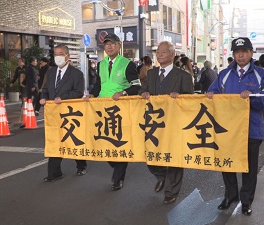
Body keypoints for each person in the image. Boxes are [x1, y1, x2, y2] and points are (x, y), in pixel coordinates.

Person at [206, 37, 264, 215]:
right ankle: (230, 195)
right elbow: (213, 91)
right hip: (227, 129)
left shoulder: (262, 75)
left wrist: (251, 96)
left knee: (249, 168)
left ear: (251, 53)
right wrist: (210, 95)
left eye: (244, 52)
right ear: (233, 55)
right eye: (237, 52)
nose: (240, 55)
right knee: (226, 163)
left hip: (252, 129)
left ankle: (246, 201)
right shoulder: (224, 74)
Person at [139, 41, 194, 205]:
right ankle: (161, 175)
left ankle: (171, 191)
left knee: (175, 158)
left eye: (164, 52)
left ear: (172, 55)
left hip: (175, 124)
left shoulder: (183, 76)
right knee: (150, 154)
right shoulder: (151, 74)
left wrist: (181, 97)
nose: (160, 54)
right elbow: (142, 90)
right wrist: (144, 93)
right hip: (154, 123)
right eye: (158, 52)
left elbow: (191, 101)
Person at [84, 33, 141, 191]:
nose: (108, 47)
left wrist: (123, 93)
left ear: (119, 46)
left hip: (120, 111)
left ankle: (118, 178)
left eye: (112, 44)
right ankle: (116, 166)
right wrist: (92, 94)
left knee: (119, 144)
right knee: (105, 144)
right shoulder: (101, 64)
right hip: (102, 110)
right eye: (106, 44)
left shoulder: (127, 64)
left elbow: (136, 86)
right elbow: (98, 85)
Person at [40, 44, 87, 182]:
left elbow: (78, 92)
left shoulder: (76, 74)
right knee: (54, 141)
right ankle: (54, 173)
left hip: (71, 114)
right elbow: (45, 89)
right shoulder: (51, 72)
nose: (57, 57)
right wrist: (43, 98)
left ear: (67, 56)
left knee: (73, 139)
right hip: (54, 114)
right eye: (55, 54)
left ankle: (81, 165)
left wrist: (63, 98)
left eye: (60, 54)